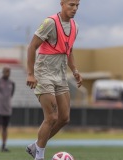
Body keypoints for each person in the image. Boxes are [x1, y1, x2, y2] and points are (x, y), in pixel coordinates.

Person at [25, 0, 82, 160]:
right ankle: (39, 156)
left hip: (61, 75)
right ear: (62, 4)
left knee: (64, 118)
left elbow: (68, 50)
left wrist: (75, 70)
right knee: (51, 117)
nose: (75, 8)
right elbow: (32, 46)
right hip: (44, 73)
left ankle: (35, 146)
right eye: (71, 4)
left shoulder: (75, 27)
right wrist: (30, 73)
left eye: (77, 5)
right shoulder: (50, 22)